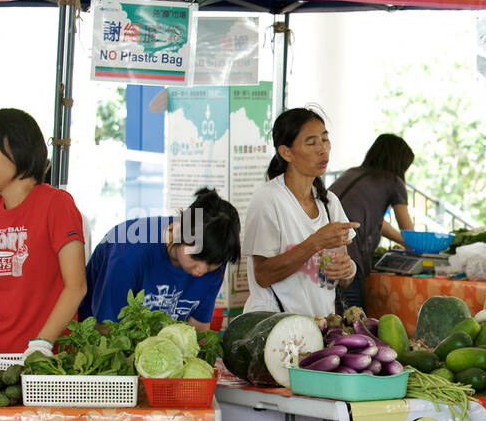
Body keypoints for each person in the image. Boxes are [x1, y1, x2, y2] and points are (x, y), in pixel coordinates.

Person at [0, 108, 86, 358]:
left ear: (17, 147)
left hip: (48, 358)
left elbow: (76, 287)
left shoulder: (57, 204)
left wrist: (42, 343)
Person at [242, 108, 359, 317]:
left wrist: (347, 269)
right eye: (311, 143)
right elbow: (263, 275)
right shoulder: (268, 199)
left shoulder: (330, 203)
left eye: (325, 139)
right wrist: (315, 242)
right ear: (286, 152)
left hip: (319, 327)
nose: (323, 149)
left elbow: (343, 275)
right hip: (273, 327)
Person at [79, 187, 241, 328]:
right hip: (102, 340)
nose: (201, 270)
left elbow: (199, 328)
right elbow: (106, 327)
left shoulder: (215, 255)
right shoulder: (129, 254)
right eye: (197, 258)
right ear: (179, 233)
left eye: (211, 265)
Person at [330, 133, 416, 311]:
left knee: (331, 318)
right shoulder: (394, 182)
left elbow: (373, 220)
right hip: (348, 253)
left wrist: (401, 240)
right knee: (352, 320)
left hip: (322, 249)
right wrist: (413, 245)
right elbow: (409, 232)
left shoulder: (352, 173)